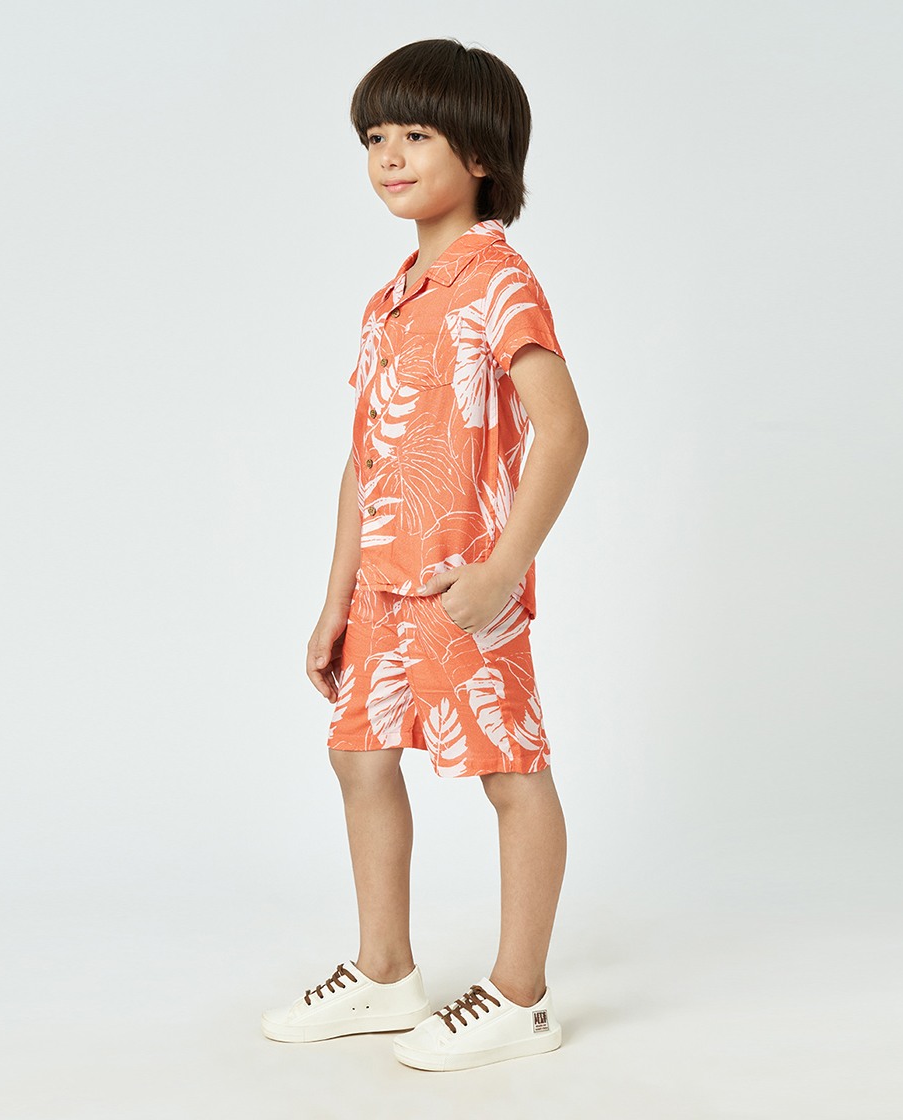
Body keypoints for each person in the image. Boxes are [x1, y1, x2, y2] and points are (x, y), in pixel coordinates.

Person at [261, 37, 588, 1072]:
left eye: (415, 134)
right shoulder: (390, 298)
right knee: (358, 756)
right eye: (374, 137)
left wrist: (499, 571)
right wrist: (335, 599)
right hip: (381, 588)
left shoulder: (499, 281)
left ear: (480, 153)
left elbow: (565, 431)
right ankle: (385, 974)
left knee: (508, 770)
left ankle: (521, 997)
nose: (389, 156)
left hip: (459, 584)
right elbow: (365, 456)